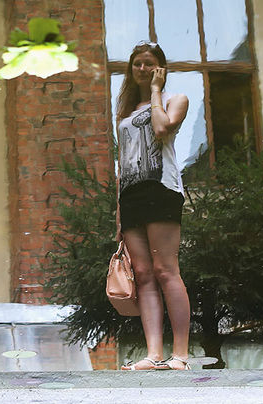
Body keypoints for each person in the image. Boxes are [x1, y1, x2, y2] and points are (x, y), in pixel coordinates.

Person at [115, 41, 191, 371]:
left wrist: (157, 90)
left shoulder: (176, 100)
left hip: (160, 189)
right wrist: (118, 214)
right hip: (131, 195)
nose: (142, 70)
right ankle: (154, 354)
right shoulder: (125, 112)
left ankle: (181, 355)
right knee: (143, 274)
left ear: (160, 68)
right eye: (137, 65)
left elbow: (161, 127)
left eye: (149, 64)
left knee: (165, 270)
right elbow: (122, 162)